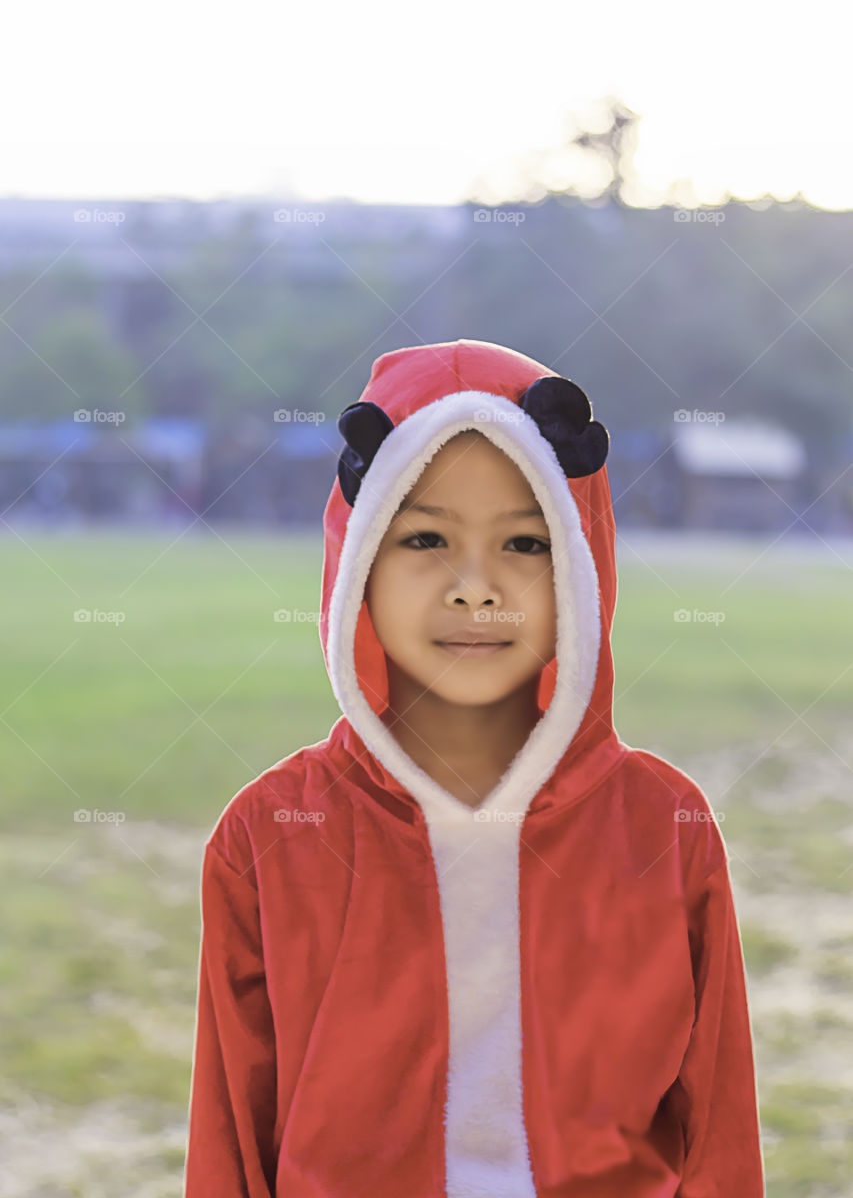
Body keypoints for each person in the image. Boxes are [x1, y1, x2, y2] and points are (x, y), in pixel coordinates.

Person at [183, 338, 765, 1197]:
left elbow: (716, 1129)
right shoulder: (270, 832)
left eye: (524, 543)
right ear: (356, 565)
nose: (475, 588)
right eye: (424, 537)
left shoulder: (661, 826)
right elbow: (231, 1133)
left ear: (581, 565)